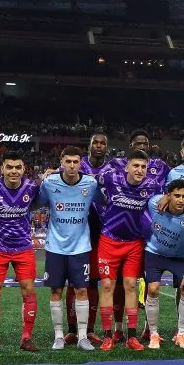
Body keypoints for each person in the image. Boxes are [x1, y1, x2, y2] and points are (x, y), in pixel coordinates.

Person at [39, 146, 102, 351]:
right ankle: (58, 336)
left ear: (81, 163)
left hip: (80, 247)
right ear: (62, 162)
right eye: (68, 161)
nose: (72, 166)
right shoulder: (50, 183)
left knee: (82, 290)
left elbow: (105, 201)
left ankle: (82, 336)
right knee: (56, 290)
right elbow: (37, 202)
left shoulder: (90, 184)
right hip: (55, 246)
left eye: (76, 162)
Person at [0, 152, 40, 353]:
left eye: (18, 167)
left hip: (23, 248)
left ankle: (26, 338)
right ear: (2, 169)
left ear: (24, 169)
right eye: (9, 167)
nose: (14, 171)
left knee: (29, 291)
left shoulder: (31, 187)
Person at [97, 150, 156, 350]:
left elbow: (164, 199)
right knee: (107, 286)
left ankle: (132, 336)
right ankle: (107, 335)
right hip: (109, 240)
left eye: (143, 167)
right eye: (136, 165)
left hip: (134, 243)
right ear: (128, 166)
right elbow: (88, 179)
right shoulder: (111, 178)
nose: (139, 170)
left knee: (131, 285)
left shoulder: (152, 186)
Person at [144, 179, 184, 349]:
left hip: (179, 257)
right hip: (154, 252)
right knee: (153, 289)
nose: (180, 200)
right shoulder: (155, 204)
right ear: (168, 195)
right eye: (176, 195)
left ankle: (181, 335)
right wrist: (164, 196)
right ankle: (153, 334)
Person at [75, 132, 109, 346]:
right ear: (89, 146)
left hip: (102, 231)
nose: (98, 146)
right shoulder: (77, 165)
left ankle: (89, 329)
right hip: (77, 232)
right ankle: (72, 330)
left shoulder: (112, 169)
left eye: (102, 143)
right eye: (95, 142)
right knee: (76, 283)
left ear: (107, 147)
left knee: (94, 281)